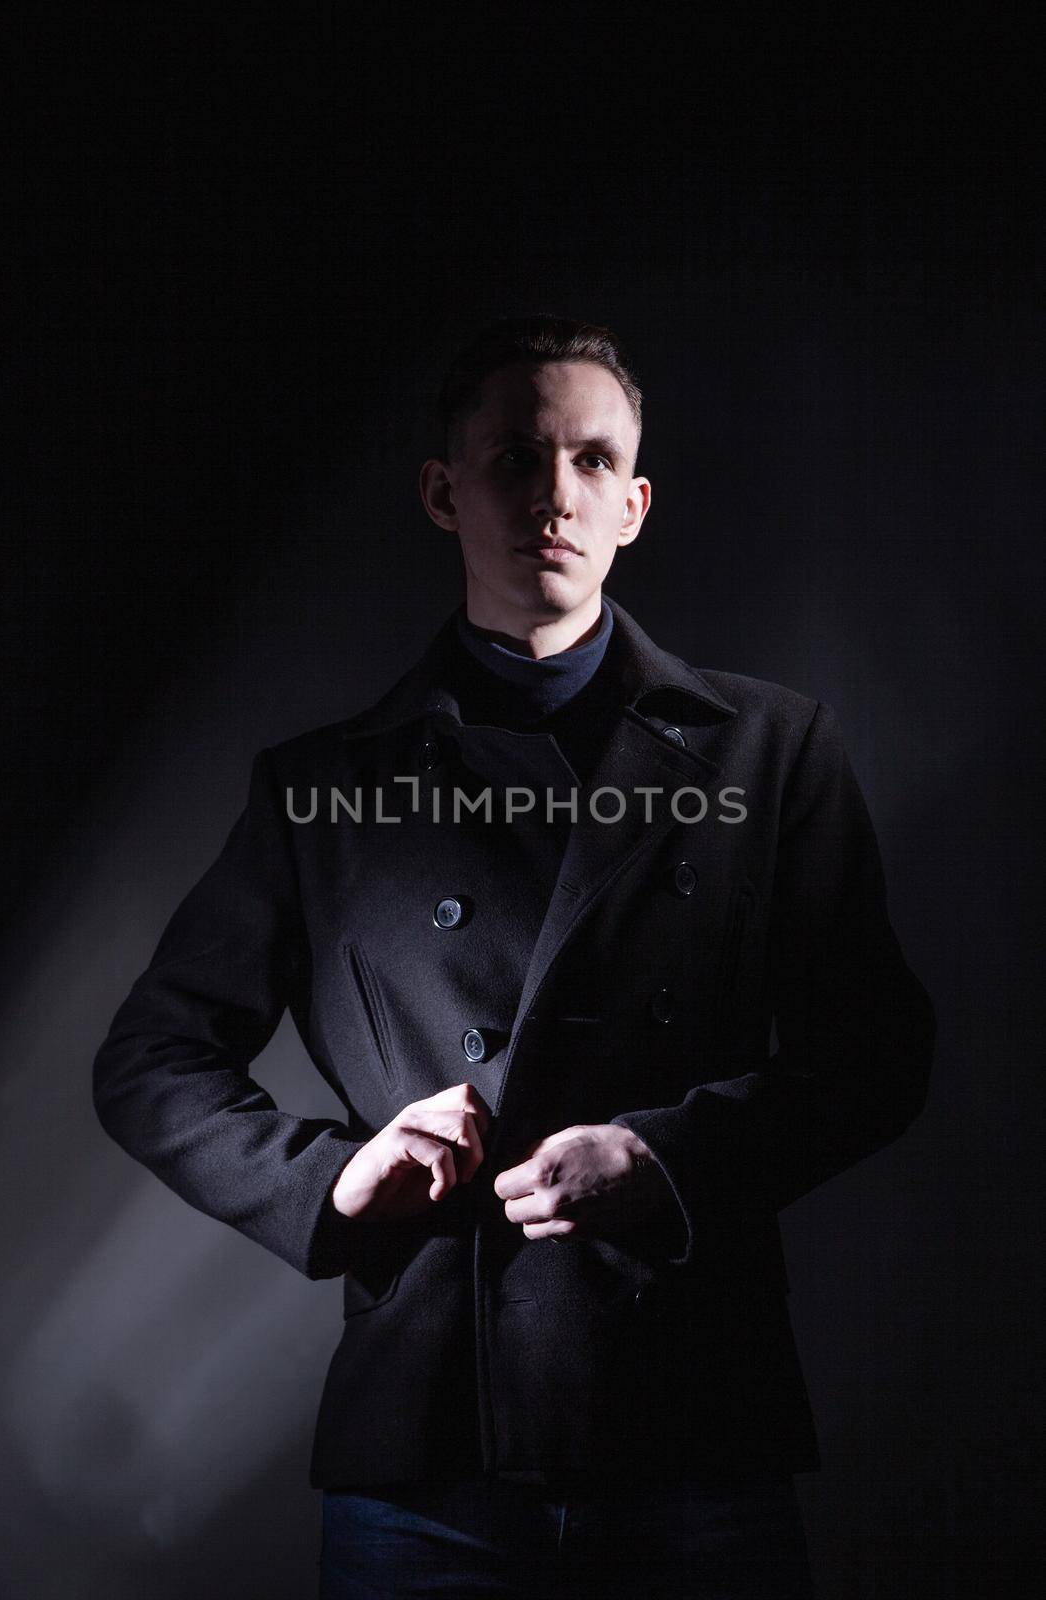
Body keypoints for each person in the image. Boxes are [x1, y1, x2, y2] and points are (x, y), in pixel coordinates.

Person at [93, 314, 935, 1597]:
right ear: (443, 491)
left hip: (696, 1426)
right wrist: (332, 1180)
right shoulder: (324, 787)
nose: (555, 495)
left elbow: (875, 1052)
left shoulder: (770, 751)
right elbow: (151, 1061)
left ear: (636, 503)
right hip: (430, 1448)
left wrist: (667, 1156)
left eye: (593, 461)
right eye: (513, 458)